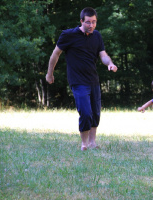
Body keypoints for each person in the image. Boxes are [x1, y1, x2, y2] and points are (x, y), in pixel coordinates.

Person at [46, 7, 117, 151]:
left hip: (93, 81)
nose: (91, 25)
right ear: (81, 21)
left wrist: (110, 63)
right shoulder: (68, 35)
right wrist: (49, 73)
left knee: (95, 113)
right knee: (85, 112)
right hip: (78, 81)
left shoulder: (96, 36)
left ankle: (92, 142)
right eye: (88, 22)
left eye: (94, 22)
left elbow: (103, 55)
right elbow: (55, 54)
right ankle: (84, 143)